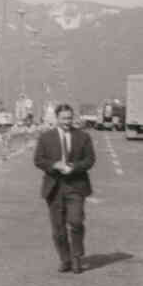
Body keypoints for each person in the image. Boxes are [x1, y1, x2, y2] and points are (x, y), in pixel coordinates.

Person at [33, 103, 96, 274]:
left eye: (69, 118)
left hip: (76, 186)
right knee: (58, 229)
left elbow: (90, 160)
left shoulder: (83, 137)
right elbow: (38, 160)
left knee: (76, 221)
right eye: (63, 118)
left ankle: (77, 257)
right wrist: (55, 165)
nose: (67, 122)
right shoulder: (46, 137)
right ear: (56, 118)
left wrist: (73, 167)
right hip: (54, 188)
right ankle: (65, 259)